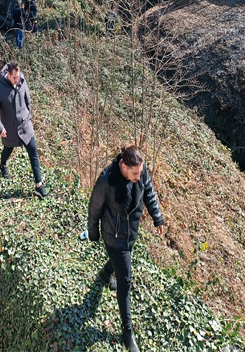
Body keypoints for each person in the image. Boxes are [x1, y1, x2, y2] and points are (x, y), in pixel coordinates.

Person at [87, 145, 166, 352]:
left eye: (140, 173)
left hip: (131, 232)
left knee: (120, 265)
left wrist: (157, 217)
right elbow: (94, 209)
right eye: (134, 174)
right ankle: (127, 332)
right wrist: (93, 234)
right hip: (114, 238)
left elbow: (148, 190)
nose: (138, 178)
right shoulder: (107, 180)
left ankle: (105, 274)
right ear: (123, 165)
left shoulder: (140, 170)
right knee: (125, 282)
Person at [0, 61, 48, 198]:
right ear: (8, 75)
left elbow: (27, 99)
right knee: (8, 150)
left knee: (33, 152)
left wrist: (28, 116)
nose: (17, 79)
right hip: (10, 130)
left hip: (25, 126)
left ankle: (39, 185)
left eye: (18, 76)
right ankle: (2, 166)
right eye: (14, 77)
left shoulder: (22, 80)